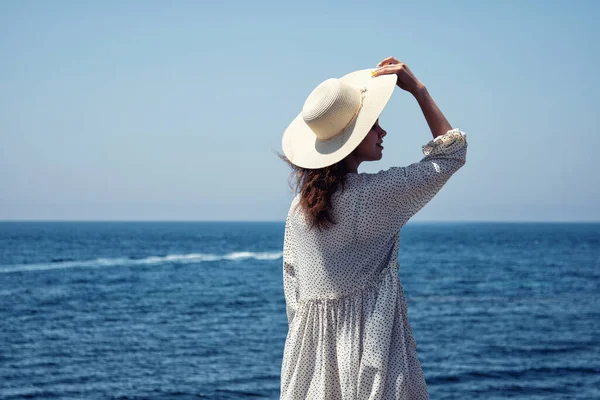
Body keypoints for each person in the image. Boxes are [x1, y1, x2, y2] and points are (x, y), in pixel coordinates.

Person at [277, 56, 468, 399]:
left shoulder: (298, 207)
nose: (383, 132)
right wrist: (419, 92)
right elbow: (451, 154)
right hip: (368, 364)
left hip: (306, 371)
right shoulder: (371, 196)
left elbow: (294, 295)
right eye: (374, 124)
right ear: (353, 138)